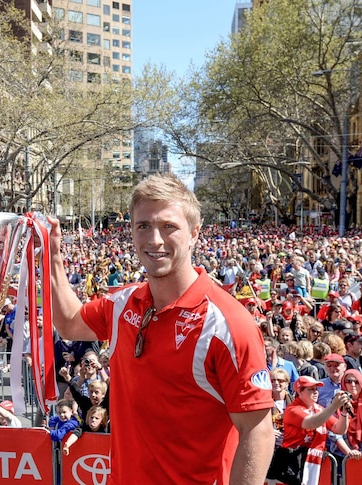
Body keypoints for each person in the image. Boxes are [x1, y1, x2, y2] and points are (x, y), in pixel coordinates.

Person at [46, 174, 274, 484]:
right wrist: (53, 256)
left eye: (169, 226)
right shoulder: (121, 304)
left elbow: (257, 430)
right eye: (144, 226)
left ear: (194, 233)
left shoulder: (227, 324)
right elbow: (70, 323)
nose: (154, 240)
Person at [279, 377, 350, 485]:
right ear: (299, 391)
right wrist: (334, 406)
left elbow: (339, 429)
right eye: (311, 389)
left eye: (316, 389)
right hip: (294, 462)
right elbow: (311, 423)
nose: (316, 392)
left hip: (315, 460)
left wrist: (344, 413)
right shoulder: (292, 409)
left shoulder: (319, 409)